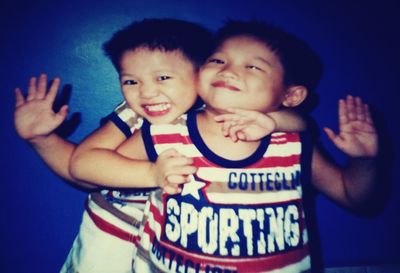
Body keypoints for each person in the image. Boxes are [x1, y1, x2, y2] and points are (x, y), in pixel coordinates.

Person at [14, 19, 305, 273]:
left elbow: (301, 123)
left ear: (200, 73)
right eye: (130, 81)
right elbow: (81, 168)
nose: (147, 92)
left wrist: (277, 121)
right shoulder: (133, 113)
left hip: (173, 236)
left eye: (163, 77)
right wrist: (42, 139)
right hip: (114, 223)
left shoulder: (219, 106)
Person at [112, 20, 378, 273]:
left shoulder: (292, 145)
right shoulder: (164, 132)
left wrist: (363, 161)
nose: (227, 70)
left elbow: (354, 198)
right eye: (217, 60)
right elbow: (106, 172)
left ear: (291, 95)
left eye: (253, 67)